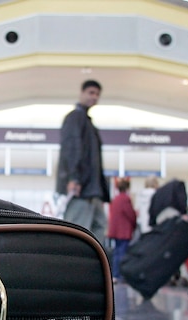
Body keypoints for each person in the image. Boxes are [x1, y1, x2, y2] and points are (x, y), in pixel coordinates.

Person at [56, 79, 110, 247]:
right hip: (82, 187)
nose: (94, 97)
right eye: (91, 93)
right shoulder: (75, 118)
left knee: (98, 229)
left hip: (93, 190)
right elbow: (72, 148)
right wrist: (73, 178)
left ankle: (91, 270)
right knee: (78, 232)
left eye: (97, 94)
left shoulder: (88, 122)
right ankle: (72, 270)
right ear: (82, 93)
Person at [107, 178, 137, 282]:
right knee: (123, 253)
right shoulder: (126, 199)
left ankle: (115, 274)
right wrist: (135, 222)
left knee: (116, 252)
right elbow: (130, 214)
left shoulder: (115, 199)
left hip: (115, 231)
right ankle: (120, 274)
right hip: (124, 231)